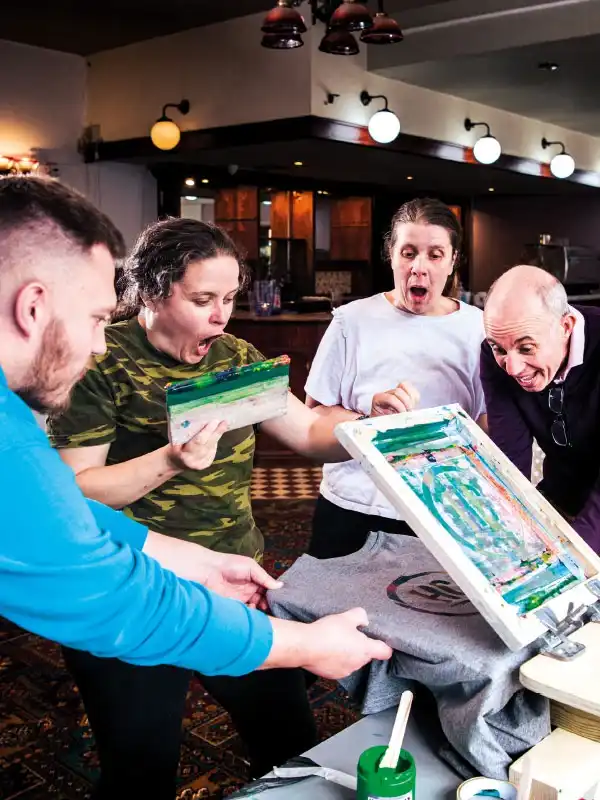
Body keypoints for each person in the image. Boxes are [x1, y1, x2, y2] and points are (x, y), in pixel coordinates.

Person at [0, 175, 391, 797]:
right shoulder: (93, 370)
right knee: (141, 767)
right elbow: (77, 519)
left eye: (230, 298)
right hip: (138, 591)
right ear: (152, 294)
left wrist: (371, 425)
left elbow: (309, 431)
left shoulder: (233, 357)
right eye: (202, 298)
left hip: (231, 572)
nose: (221, 315)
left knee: (290, 739)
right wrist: (172, 463)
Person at [305, 197, 487, 559]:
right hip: (355, 505)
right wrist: (368, 419)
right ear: (391, 255)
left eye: (435, 254)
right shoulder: (350, 321)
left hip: (446, 514)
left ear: (453, 261)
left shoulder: (478, 328)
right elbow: (312, 419)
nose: (419, 267)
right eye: (408, 252)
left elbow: (485, 425)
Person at [480, 264, 600, 553]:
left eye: (526, 348)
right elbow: (511, 458)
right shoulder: (497, 352)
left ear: (565, 327)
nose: (511, 368)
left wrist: (569, 557)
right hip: (561, 497)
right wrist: (503, 532)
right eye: (499, 348)